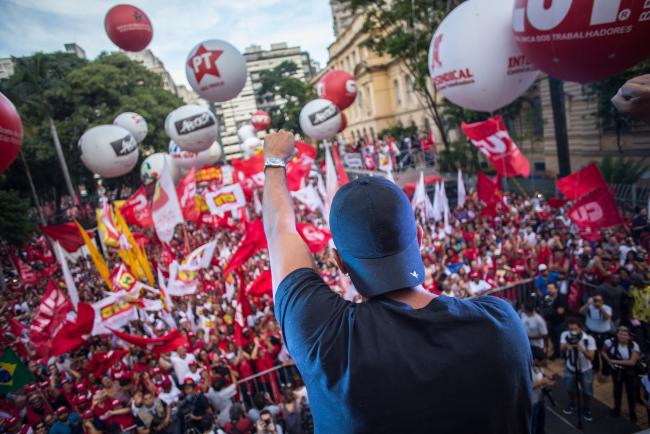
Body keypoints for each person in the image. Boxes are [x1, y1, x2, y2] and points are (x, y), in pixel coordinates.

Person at [262, 130, 532, 433]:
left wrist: (274, 161)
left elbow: (279, 230)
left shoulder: (326, 340)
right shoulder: (502, 324)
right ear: (418, 237)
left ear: (339, 262)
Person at [560, 318, 597, 422]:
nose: (573, 331)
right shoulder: (565, 335)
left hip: (585, 369)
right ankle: (572, 403)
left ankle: (586, 408)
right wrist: (567, 346)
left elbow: (591, 357)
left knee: (587, 391)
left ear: (580, 328)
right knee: (570, 388)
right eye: (571, 329)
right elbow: (561, 350)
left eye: (575, 329)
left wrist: (582, 349)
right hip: (570, 367)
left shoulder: (589, 339)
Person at [602, 326, 641, 422]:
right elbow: (603, 351)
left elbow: (632, 362)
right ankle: (617, 408)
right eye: (620, 334)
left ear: (629, 336)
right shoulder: (610, 342)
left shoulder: (633, 345)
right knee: (617, 391)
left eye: (625, 335)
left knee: (631, 393)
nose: (622, 336)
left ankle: (632, 412)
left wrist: (614, 361)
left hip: (629, 372)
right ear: (617, 334)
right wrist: (608, 361)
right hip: (616, 372)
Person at [579, 293, 613, 378]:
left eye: (599, 300)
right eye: (595, 300)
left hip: (604, 334)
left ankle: (606, 372)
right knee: (592, 351)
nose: (596, 302)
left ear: (602, 301)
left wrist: (600, 308)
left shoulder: (607, 308)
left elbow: (607, 317)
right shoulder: (589, 307)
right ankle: (595, 367)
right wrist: (588, 304)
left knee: (604, 353)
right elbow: (581, 312)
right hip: (591, 333)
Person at [530, 346, 555, 434]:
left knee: (540, 425)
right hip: (531, 404)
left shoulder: (537, 365)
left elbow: (541, 371)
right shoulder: (525, 369)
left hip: (540, 400)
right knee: (532, 426)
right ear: (535, 360)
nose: (543, 364)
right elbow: (525, 387)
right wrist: (542, 382)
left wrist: (546, 376)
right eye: (542, 362)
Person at [541, 282, 568, 360]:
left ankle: (564, 355)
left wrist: (550, 311)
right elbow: (544, 309)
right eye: (548, 288)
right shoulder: (547, 297)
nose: (550, 290)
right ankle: (556, 353)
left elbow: (561, 311)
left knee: (561, 339)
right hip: (550, 322)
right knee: (553, 339)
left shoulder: (561, 297)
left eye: (551, 288)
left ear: (556, 289)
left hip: (559, 323)